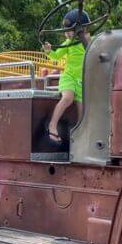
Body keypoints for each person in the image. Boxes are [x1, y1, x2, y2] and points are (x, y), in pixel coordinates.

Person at [42, 8, 90, 145]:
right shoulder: (68, 43)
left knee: (82, 111)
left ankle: (79, 138)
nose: (67, 34)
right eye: (65, 31)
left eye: (70, 30)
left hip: (81, 81)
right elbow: (57, 55)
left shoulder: (90, 43)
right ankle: (52, 125)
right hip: (69, 77)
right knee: (68, 98)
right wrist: (49, 51)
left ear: (81, 29)